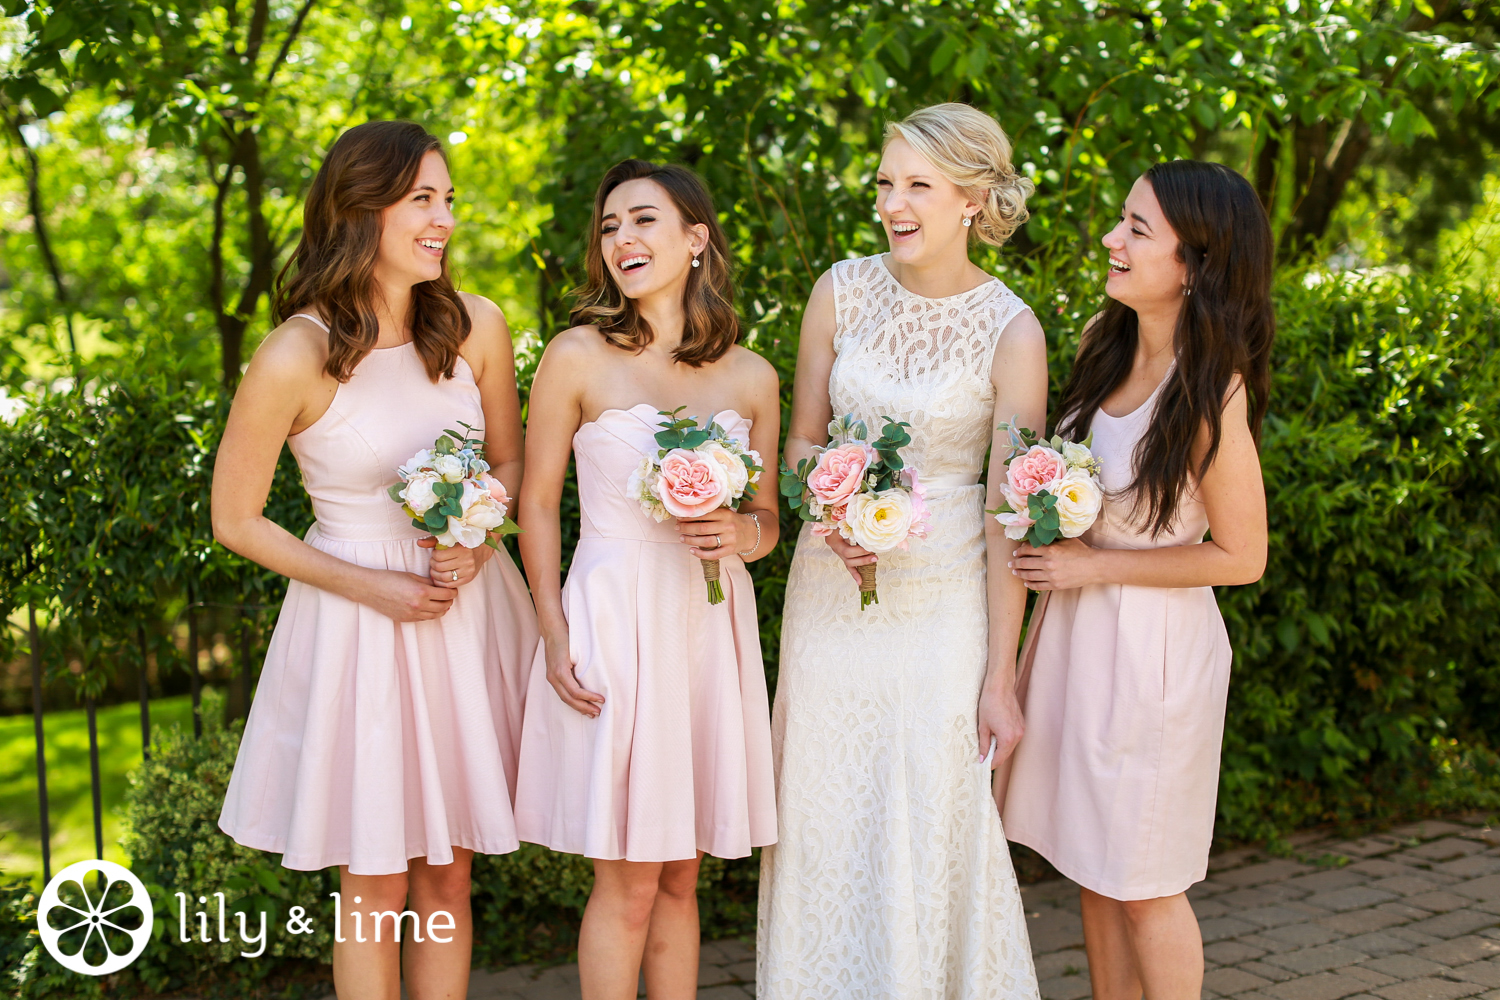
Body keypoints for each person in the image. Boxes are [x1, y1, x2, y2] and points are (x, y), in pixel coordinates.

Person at [213, 120, 538, 1000]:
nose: (444, 221)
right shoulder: (297, 352)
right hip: (359, 624)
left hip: (466, 612)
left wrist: (475, 539)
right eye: (422, 200)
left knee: (449, 873)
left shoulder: (476, 326)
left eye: (449, 201)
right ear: (362, 210)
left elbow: (507, 465)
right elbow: (235, 519)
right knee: (374, 884)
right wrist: (373, 587)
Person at [757, 103, 1044, 999]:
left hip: (943, 609)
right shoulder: (839, 290)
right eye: (886, 182)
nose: (895, 203)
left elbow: (1014, 519)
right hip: (830, 597)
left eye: (918, 184)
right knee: (824, 817)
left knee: (928, 818)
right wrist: (832, 500)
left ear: (972, 200)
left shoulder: (1013, 331)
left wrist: (1001, 677)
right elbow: (800, 442)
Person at [999, 160, 1273, 1000]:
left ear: (1193, 264)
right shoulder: (1100, 346)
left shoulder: (1209, 391)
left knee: (1146, 882)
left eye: (1137, 229)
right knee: (1091, 865)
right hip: (1078, 643)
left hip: (1151, 657)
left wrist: (1094, 563)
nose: (1113, 240)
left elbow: (1243, 555)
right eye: (1122, 221)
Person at [512, 159, 780, 1000]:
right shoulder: (576, 356)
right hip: (614, 616)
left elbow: (771, 524)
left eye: (642, 221)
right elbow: (536, 506)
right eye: (608, 227)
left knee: (680, 877)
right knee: (627, 879)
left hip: (707, 626)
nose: (621, 239)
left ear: (696, 239)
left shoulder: (753, 376)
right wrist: (553, 635)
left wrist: (742, 530)